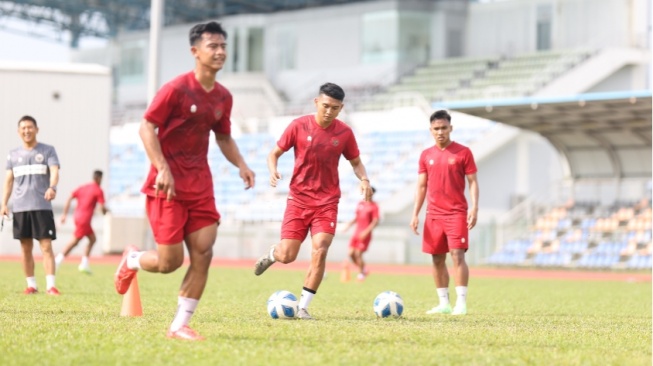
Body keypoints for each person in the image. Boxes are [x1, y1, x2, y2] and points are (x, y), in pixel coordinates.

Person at [113, 21, 255, 341]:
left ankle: (179, 325)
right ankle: (133, 259)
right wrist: (162, 168)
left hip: (200, 185)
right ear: (195, 52)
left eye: (223, 46)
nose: (220, 52)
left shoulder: (223, 97)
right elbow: (146, 127)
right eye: (212, 47)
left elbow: (224, 137)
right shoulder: (176, 89)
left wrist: (242, 165)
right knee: (169, 263)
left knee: (204, 252)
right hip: (168, 186)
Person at [253, 82, 373, 320]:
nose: (329, 111)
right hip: (298, 200)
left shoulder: (344, 133)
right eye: (326, 106)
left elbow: (356, 162)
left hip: (327, 202)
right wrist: (272, 170)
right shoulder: (298, 126)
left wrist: (365, 179)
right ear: (316, 102)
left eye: (335, 108)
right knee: (288, 255)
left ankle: (303, 307)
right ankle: (272, 254)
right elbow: (273, 153)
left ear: (341, 108)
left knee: (320, 249)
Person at [409, 110, 479, 316]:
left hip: (456, 213)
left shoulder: (463, 152)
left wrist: (474, 207)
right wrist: (415, 214)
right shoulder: (426, 155)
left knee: (457, 255)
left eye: (444, 128)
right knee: (437, 258)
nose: (440, 132)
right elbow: (421, 186)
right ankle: (444, 304)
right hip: (433, 215)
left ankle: (461, 304)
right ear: (430, 130)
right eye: (436, 129)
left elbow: (473, 181)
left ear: (451, 128)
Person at [1, 115, 61, 295]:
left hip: (42, 206)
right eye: (23, 128)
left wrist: (52, 187)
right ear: (19, 131)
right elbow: (8, 181)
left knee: (46, 246)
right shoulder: (13, 154)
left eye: (30, 127)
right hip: (20, 208)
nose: (27, 131)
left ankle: (51, 286)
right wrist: (4, 204)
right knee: (25, 248)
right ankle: (31, 285)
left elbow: (55, 171)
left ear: (37, 129)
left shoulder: (48, 150)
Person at [55, 170, 109, 274]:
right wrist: (106, 211)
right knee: (75, 241)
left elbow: (70, 197)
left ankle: (84, 264)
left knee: (93, 239)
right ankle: (57, 260)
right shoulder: (98, 190)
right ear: (99, 178)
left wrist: (64, 214)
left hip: (78, 217)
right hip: (85, 219)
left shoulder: (83, 187)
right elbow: (102, 208)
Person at [341, 187, 380, 282]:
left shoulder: (374, 206)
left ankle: (361, 274)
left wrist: (366, 232)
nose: (367, 194)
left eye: (369, 192)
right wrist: (348, 225)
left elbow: (375, 221)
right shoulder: (360, 204)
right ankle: (364, 269)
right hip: (356, 232)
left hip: (365, 234)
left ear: (372, 194)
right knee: (351, 254)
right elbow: (356, 217)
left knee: (358, 254)